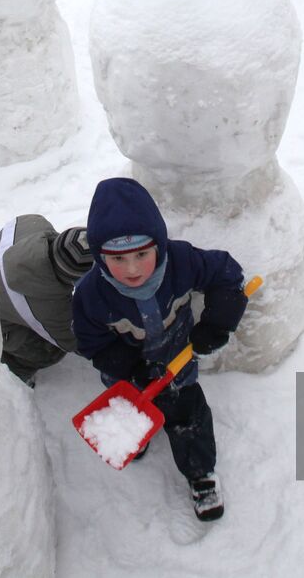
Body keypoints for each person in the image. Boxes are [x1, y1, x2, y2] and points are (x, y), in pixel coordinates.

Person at [72, 177, 249, 522]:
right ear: (99, 255)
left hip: (176, 360)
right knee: (133, 412)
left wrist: (216, 324)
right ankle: (134, 435)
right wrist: (130, 367)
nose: (133, 269)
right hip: (127, 375)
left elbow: (227, 275)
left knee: (188, 416)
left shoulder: (182, 261)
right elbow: (91, 342)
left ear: (159, 245)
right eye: (118, 259)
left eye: (142, 254)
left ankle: (200, 474)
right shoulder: (91, 294)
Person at [0, 214, 94, 386]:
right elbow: (74, 341)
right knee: (48, 352)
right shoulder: (47, 308)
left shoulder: (34, 223)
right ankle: (12, 375)